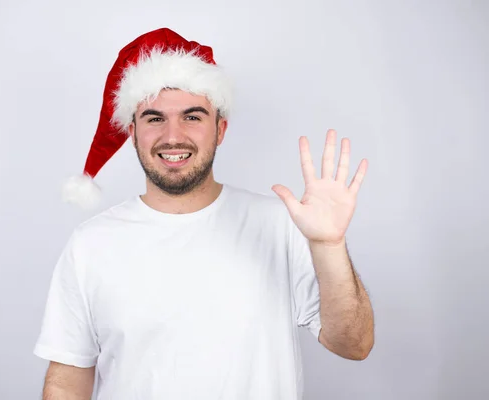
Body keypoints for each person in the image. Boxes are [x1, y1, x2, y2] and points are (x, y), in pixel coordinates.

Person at [33, 27, 374, 400]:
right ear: (132, 132)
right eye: (154, 118)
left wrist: (329, 244)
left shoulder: (281, 226)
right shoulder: (91, 245)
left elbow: (353, 344)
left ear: (220, 129)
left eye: (193, 117)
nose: (173, 136)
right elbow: (67, 380)